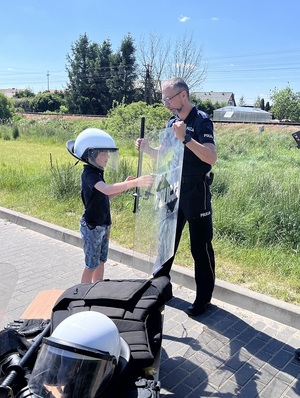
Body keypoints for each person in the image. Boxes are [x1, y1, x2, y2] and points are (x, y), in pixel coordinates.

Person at [135, 77, 217, 316]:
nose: (166, 103)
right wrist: (147, 148)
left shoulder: (201, 121)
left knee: (199, 246)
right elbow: (163, 154)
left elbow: (211, 157)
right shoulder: (172, 121)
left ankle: (204, 299)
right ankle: (160, 287)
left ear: (183, 95)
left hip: (195, 188)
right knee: (166, 238)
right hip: (171, 185)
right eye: (164, 99)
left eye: (168, 98)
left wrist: (187, 138)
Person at [67, 128, 154, 284]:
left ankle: (98, 288)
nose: (108, 157)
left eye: (109, 153)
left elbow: (106, 196)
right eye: (104, 153)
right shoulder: (89, 174)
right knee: (91, 264)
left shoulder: (98, 172)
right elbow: (106, 189)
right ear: (92, 154)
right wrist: (134, 183)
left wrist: (126, 184)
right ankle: (83, 292)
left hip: (104, 225)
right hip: (92, 226)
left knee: (101, 261)